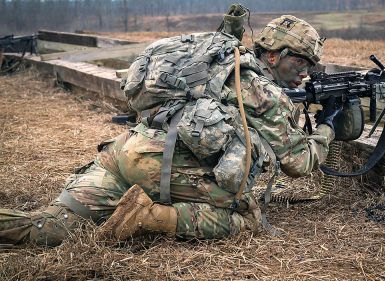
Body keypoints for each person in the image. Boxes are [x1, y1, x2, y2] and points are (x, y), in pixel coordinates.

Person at [0, 14, 338, 246]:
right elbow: (299, 163)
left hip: (126, 152)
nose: (306, 72)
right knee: (246, 218)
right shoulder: (264, 94)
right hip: (159, 169)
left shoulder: (219, 59)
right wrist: (328, 127)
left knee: (45, 227)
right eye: (301, 62)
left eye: (311, 65)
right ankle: (148, 215)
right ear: (276, 57)